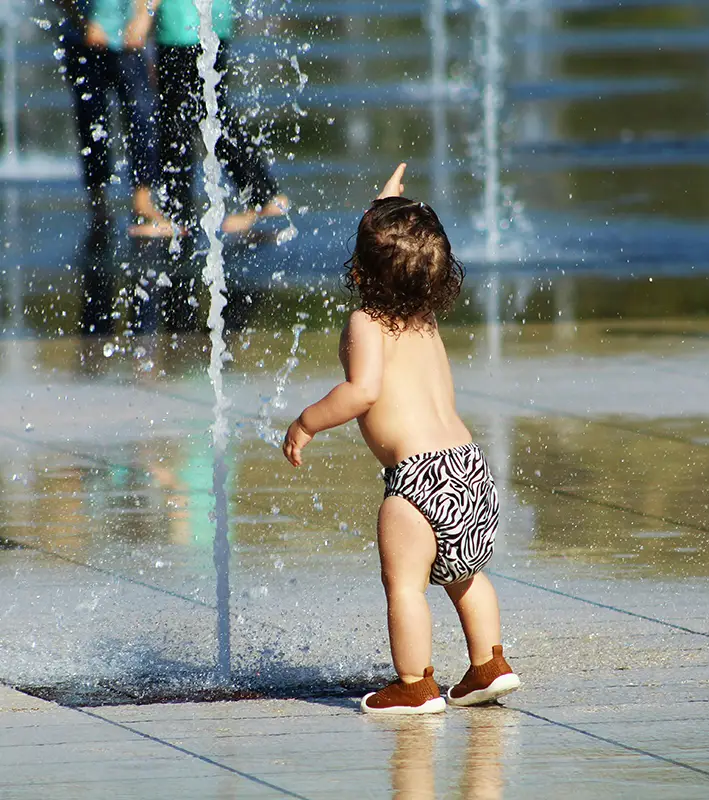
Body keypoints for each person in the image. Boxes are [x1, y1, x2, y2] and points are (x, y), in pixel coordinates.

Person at [282, 164, 520, 714]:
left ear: (361, 271)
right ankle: (489, 665)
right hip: (468, 468)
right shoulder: (423, 316)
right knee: (467, 577)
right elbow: (398, 251)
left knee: (405, 587)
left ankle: (414, 685)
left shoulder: (366, 322)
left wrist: (307, 422)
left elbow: (362, 391)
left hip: (417, 480)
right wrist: (385, 205)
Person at [143, 0, 289, 235]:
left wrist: (142, 14)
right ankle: (263, 194)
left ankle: (178, 217)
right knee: (213, 114)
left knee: (177, 121)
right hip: (212, 19)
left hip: (182, 25)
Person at [55, 0, 170, 233]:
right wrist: (83, 23)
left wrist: (143, 18)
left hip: (129, 40)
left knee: (143, 116)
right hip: (83, 40)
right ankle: (98, 200)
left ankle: (142, 200)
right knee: (92, 121)